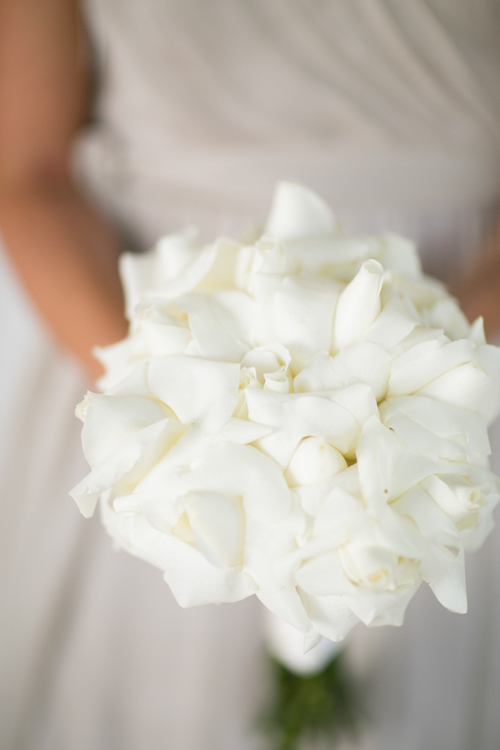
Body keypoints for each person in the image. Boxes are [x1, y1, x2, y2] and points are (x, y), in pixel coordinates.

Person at [1, 1, 500, 748]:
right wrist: (180, 425)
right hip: (137, 330)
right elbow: (25, 171)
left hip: (458, 331)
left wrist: (425, 383)